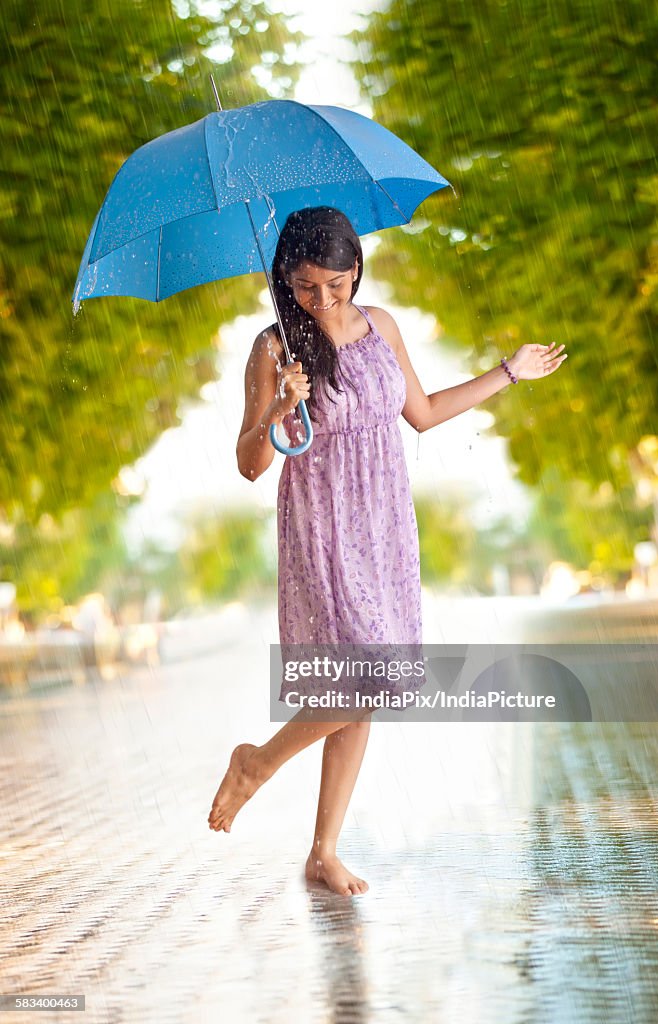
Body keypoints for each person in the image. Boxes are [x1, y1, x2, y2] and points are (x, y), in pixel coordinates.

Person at [207, 206, 567, 896]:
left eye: (337, 286)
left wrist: (508, 373)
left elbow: (424, 412)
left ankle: (323, 851)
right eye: (308, 288)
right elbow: (250, 463)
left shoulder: (382, 326)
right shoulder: (273, 348)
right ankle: (256, 763)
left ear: (355, 273)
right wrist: (282, 408)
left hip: (385, 524)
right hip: (324, 525)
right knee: (367, 676)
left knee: (366, 687)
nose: (324, 301)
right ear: (286, 278)